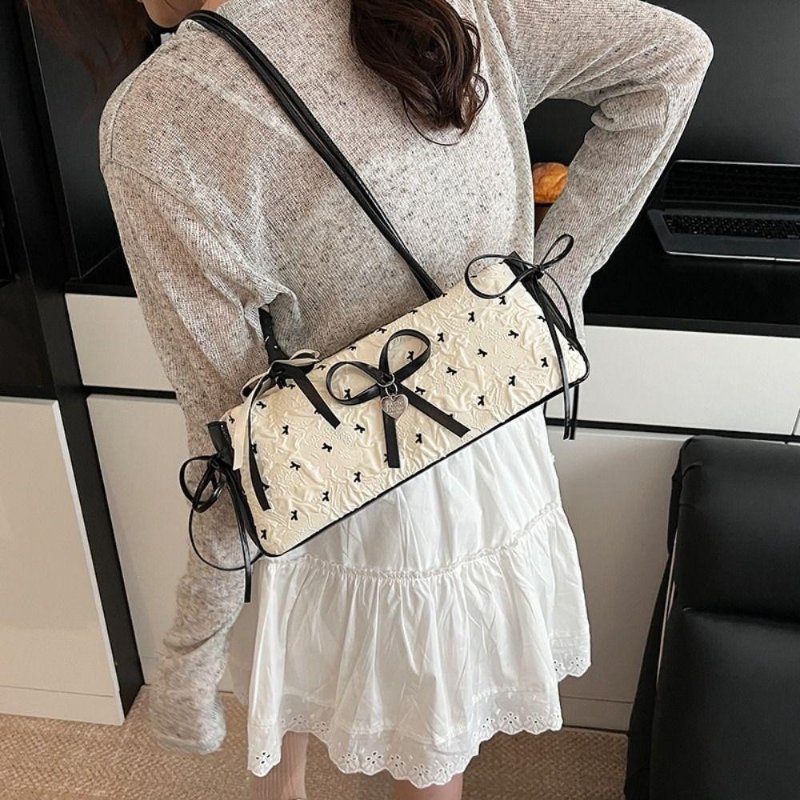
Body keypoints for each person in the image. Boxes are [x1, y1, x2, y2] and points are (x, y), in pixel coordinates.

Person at [36, 0, 712, 796]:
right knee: (433, 732)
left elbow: (228, 438)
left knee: (337, 665)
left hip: (345, 465)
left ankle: (282, 784)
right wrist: (550, 286)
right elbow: (676, 55)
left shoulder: (160, 116)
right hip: (487, 421)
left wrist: (194, 647)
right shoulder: (446, 8)